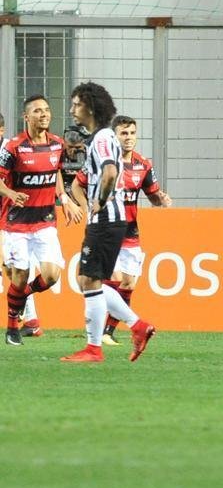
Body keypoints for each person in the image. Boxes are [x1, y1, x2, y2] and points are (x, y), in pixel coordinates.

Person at [60, 82, 157, 363]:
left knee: (89, 280)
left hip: (105, 219)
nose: (72, 109)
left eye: (76, 103)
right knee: (88, 279)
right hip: (111, 220)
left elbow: (110, 171)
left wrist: (100, 201)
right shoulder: (103, 137)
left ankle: (94, 348)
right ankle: (138, 326)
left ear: (89, 106)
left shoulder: (102, 137)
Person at [0, 95, 83, 346]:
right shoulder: (14, 147)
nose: (44, 114)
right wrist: (11, 193)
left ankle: (21, 298)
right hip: (16, 223)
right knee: (19, 274)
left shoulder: (57, 145)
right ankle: (13, 325)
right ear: (27, 117)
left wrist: (65, 199)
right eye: (37, 111)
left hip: (46, 220)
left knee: (51, 275)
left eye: (47, 110)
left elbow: (55, 172)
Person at [95, 116, 172, 345]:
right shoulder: (106, 164)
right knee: (115, 281)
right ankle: (97, 325)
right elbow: (81, 183)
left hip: (131, 232)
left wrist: (162, 199)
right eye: (123, 133)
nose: (128, 138)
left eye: (131, 133)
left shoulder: (143, 164)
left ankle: (107, 331)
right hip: (109, 229)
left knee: (129, 284)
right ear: (114, 136)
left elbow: (153, 195)